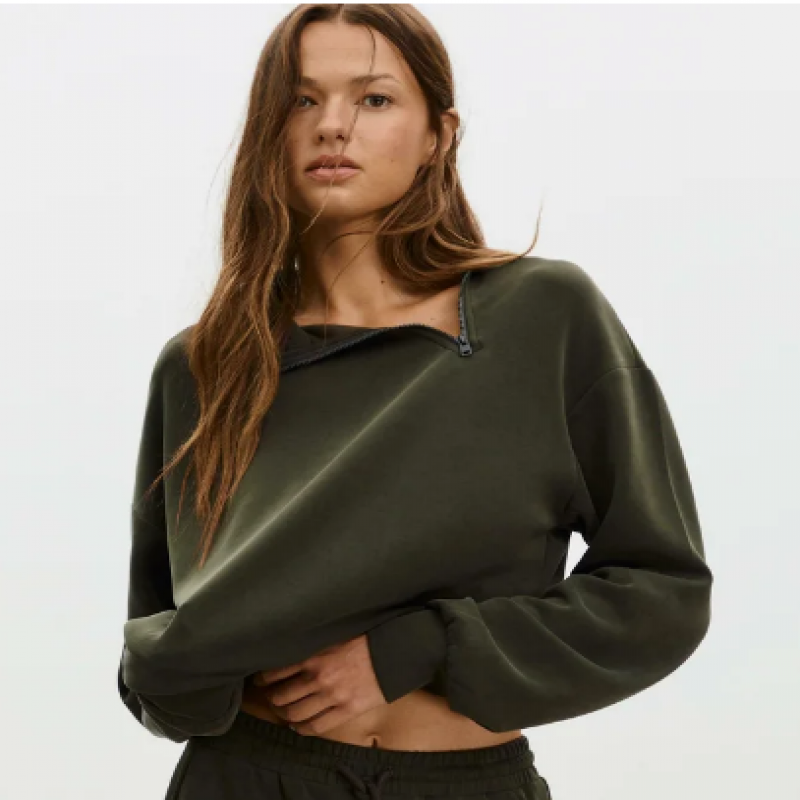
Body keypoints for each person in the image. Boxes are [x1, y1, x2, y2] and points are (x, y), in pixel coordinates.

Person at [117, 5, 714, 800]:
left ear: (439, 134)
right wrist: (189, 663)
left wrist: (415, 649)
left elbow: (662, 591)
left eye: (373, 99)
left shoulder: (540, 317)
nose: (333, 125)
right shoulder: (204, 366)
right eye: (301, 100)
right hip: (248, 776)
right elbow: (158, 658)